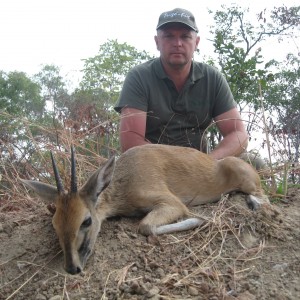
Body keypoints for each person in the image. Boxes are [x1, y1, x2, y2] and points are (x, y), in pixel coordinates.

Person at [114, 8, 248, 160]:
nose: (177, 43)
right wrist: (179, 165)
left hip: (202, 166)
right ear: (157, 42)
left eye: (185, 37)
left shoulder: (213, 78)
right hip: (155, 166)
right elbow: (131, 144)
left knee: (254, 163)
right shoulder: (138, 76)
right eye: (169, 36)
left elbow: (238, 133)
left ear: (196, 42)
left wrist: (209, 163)